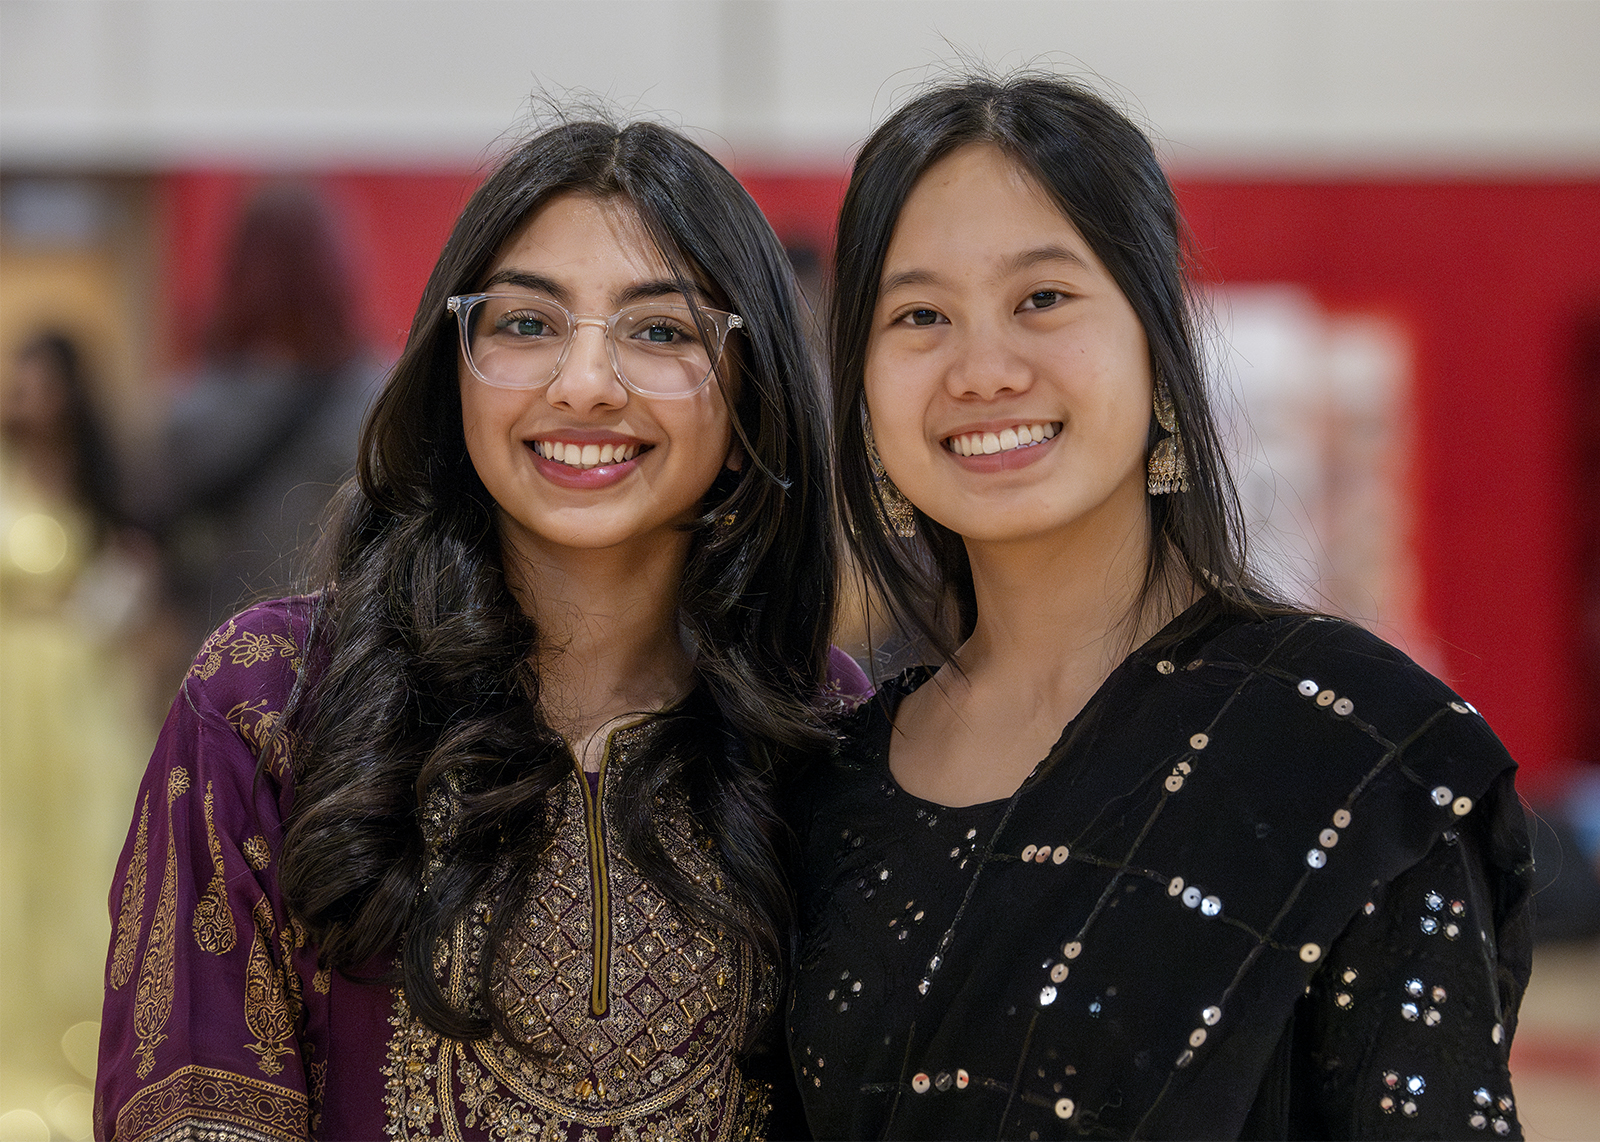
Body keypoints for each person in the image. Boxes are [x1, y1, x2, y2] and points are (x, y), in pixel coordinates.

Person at [788, 73, 1532, 1140]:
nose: (983, 367)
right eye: (918, 314)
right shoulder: (829, 787)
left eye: (1041, 298)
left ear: (1156, 345)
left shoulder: (1347, 755)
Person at [96, 115, 864, 1141]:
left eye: (661, 330)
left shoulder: (828, 729)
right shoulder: (270, 703)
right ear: (452, 372)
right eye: (526, 324)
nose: (585, 382)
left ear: (749, 395)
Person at [136, 184, 383, 652]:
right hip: (347, 662)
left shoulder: (191, 411)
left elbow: (156, 543)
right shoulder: (378, 402)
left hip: (222, 662)